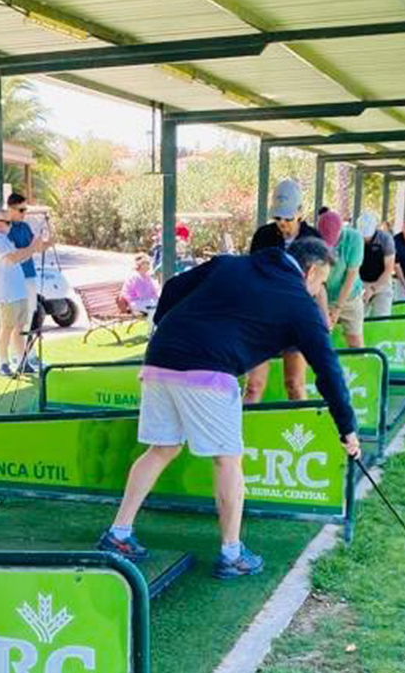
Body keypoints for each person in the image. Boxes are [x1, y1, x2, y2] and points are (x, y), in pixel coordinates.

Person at [96, 238, 360, 578]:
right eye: (320, 281)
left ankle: (118, 534)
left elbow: (173, 286)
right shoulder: (299, 302)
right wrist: (347, 427)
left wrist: (170, 331)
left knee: (162, 448)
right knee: (228, 460)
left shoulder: (232, 263)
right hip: (207, 371)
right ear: (309, 272)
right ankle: (232, 554)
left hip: (159, 359)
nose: (317, 289)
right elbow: (328, 368)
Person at [244, 179, 324, 402]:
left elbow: (321, 276)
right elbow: (252, 272)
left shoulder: (313, 238)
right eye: (277, 217)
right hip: (264, 316)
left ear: (300, 213)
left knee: (295, 384)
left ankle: (300, 424)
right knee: (253, 386)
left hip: (297, 318)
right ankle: (243, 424)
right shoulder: (263, 236)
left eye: (287, 218)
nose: (282, 223)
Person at [0, 205, 50, 377]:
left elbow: (21, 256)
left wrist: (36, 246)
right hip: (7, 293)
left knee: (19, 328)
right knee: (7, 328)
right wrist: (33, 247)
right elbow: (13, 258)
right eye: (5, 222)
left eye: (9, 222)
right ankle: (3, 363)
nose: (9, 225)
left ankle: (22, 362)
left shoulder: (4, 239)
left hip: (19, 290)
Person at [317, 209, 365, 348]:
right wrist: (325, 311)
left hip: (351, 297)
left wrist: (338, 308)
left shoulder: (354, 239)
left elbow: (350, 277)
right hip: (323, 297)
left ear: (341, 230)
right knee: (320, 341)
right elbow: (319, 282)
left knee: (355, 341)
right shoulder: (315, 241)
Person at [6, 192, 41, 362]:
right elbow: (17, 254)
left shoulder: (25, 227)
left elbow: (36, 247)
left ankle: (29, 353)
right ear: (11, 209)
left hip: (30, 275)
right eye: (21, 210)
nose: (24, 213)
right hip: (16, 279)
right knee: (18, 319)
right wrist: (32, 248)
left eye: (25, 209)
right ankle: (16, 355)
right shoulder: (6, 229)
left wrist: (45, 243)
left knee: (30, 315)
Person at [358, 211, 396, 318]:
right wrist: (362, 287)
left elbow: (389, 269)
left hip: (383, 282)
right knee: (357, 318)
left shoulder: (386, 239)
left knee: (381, 317)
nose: (365, 238)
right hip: (361, 282)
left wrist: (373, 289)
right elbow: (353, 266)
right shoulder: (355, 238)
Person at [120, 252, 160, 317]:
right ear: (141, 264)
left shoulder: (147, 275)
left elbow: (155, 290)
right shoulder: (135, 276)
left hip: (145, 301)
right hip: (136, 302)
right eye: (147, 263)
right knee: (158, 305)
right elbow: (142, 294)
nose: (149, 265)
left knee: (162, 303)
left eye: (149, 263)